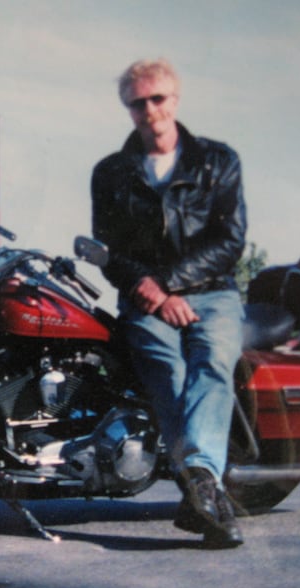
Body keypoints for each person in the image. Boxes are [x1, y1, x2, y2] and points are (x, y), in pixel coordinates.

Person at [91, 58, 247, 548]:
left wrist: (170, 283)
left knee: (213, 362)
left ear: (175, 100)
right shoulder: (111, 173)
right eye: (138, 102)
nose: (149, 110)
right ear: (127, 108)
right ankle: (205, 489)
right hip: (145, 299)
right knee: (166, 369)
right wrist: (154, 292)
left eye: (157, 99)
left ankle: (198, 477)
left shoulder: (218, 161)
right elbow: (108, 250)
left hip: (212, 291)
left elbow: (231, 240)